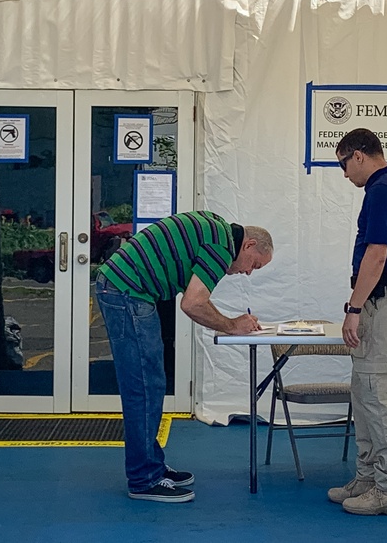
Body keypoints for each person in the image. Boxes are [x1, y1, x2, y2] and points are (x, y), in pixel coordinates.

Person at [95, 210, 273, 503]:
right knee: (143, 386)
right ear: (249, 245)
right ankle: (143, 479)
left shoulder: (216, 227)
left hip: (128, 288)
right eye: (254, 265)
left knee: (151, 383)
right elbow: (193, 303)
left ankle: (151, 465)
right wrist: (231, 325)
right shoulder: (221, 247)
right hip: (127, 291)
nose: (248, 272)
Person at [328, 128, 387, 516]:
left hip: (383, 302)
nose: (344, 174)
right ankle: (368, 477)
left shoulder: (382, 190)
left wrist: (354, 307)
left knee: (379, 394)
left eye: (344, 164)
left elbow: (377, 255)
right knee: (365, 391)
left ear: (360, 155)